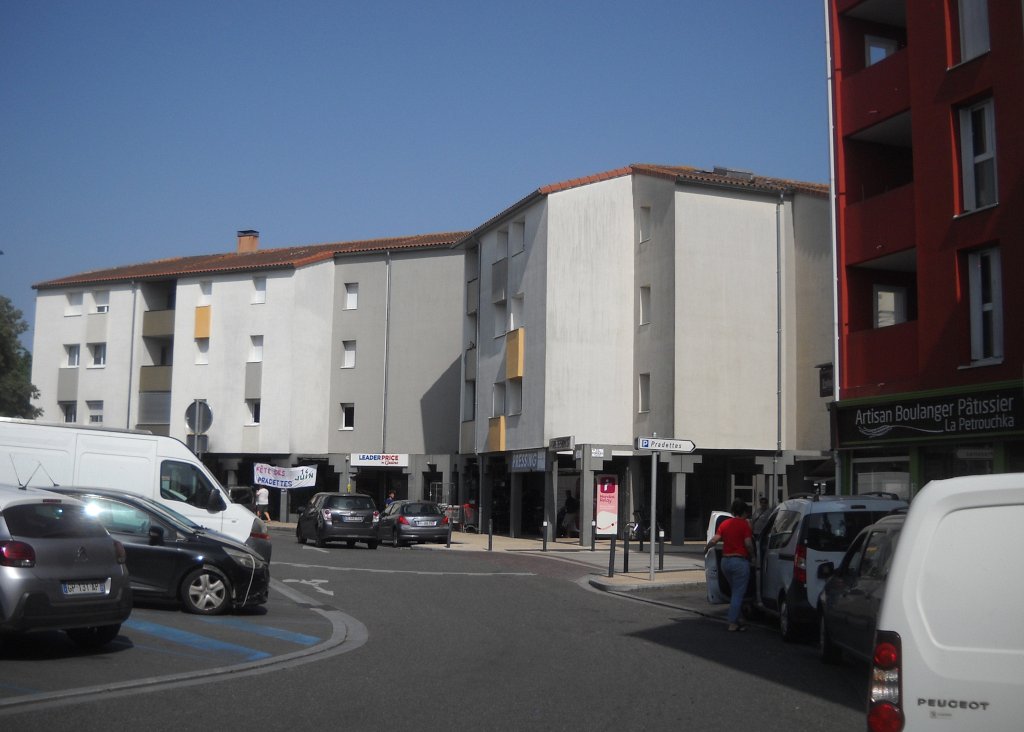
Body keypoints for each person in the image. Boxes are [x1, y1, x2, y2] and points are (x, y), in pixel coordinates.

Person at [704, 498, 755, 632]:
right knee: (738, 593)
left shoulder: (725, 523)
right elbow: (748, 544)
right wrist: (753, 556)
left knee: (735, 592)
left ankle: (740, 619)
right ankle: (733, 622)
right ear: (744, 512)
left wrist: (706, 548)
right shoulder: (744, 525)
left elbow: (714, 540)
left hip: (725, 562)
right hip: (740, 562)